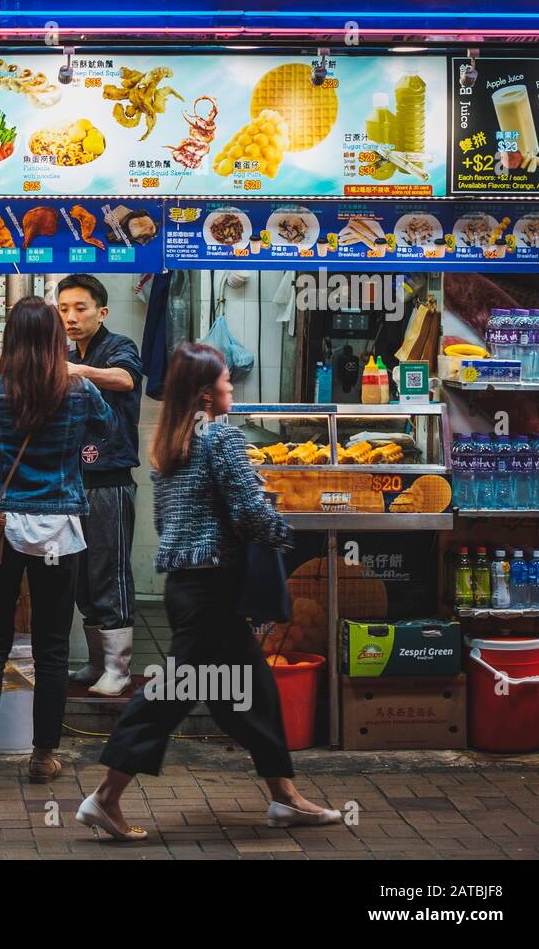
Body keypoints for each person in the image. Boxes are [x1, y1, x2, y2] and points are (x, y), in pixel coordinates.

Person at [76, 343, 340, 840]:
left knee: (254, 692)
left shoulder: (168, 442)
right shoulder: (220, 438)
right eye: (225, 381)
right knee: (168, 697)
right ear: (206, 393)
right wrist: (284, 532)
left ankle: (286, 798)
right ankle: (104, 798)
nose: (230, 388)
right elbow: (249, 511)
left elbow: (173, 518)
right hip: (213, 588)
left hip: (188, 585)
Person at [0, 296, 115, 785]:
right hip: (57, 529)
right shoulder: (78, 389)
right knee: (50, 647)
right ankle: (43, 755)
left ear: (9, 338)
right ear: (55, 340)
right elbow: (106, 429)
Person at [57, 273, 145, 696]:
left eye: (80, 308)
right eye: (63, 310)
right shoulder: (68, 351)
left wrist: (79, 370)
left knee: (110, 571)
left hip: (109, 480)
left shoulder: (119, 347)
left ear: (101, 312)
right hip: (73, 481)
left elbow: (126, 380)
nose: (71, 317)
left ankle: (119, 668)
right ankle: (97, 664)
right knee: (83, 578)